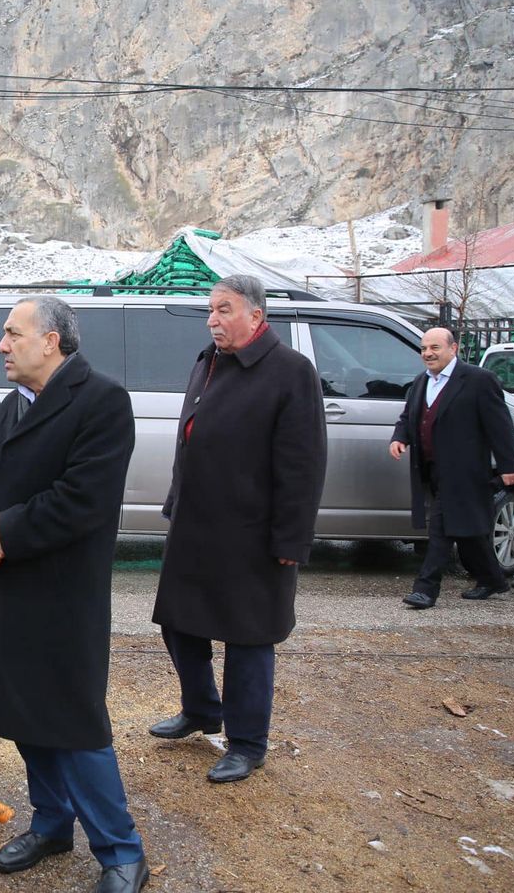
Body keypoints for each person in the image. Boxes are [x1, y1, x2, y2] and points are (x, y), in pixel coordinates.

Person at [0, 296, 147, 893]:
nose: (1, 345)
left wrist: (2, 532)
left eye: (12, 334)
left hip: (63, 593)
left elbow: (82, 501)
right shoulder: (10, 406)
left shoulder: (102, 401)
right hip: (10, 584)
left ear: (51, 341)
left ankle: (121, 850)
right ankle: (51, 824)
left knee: (73, 720)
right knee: (24, 712)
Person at [149, 274, 326, 784]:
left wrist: (292, 538)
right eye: (211, 309)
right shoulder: (208, 362)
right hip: (195, 524)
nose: (213, 319)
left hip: (253, 533)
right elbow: (191, 440)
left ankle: (247, 743)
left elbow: (303, 464)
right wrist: (176, 500)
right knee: (179, 623)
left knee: (248, 639)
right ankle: (202, 709)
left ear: (255, 315)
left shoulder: (291, 372)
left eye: (224, 309)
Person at [389, 327, 514, 609]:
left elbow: (500, 425)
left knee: (442, 528)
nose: (428, 353)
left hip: (465, 470)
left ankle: (425, 589)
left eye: (435, 347)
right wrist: (400, 437)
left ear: (454, 349)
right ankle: (493, 579)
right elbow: (409, 416)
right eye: (424, 348)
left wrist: (509, 465)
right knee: (467, 528)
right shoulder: (421, 382)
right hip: (432, 469)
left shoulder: (478, 380)